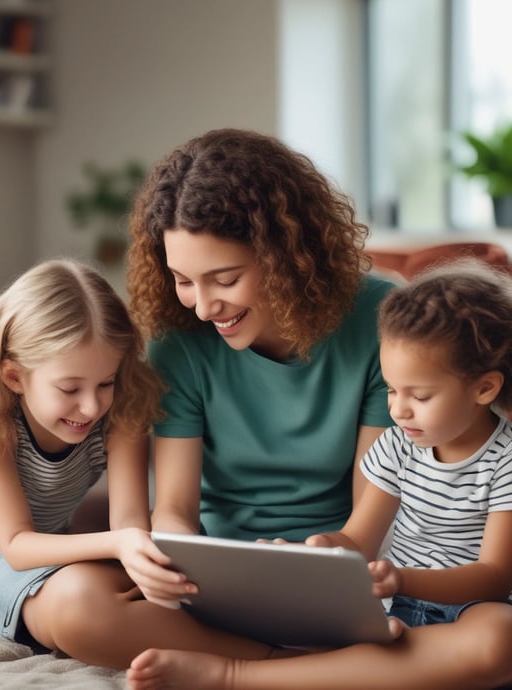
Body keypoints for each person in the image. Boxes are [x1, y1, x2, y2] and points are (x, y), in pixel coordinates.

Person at [126, 257, 512, 690]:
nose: (398, 410)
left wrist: (402, 578)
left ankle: (237, 675)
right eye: (391, 389)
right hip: (401, 610)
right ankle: (384, 667)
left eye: (420, 395)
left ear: (485, 388)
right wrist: (310, 552)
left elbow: (494, 579)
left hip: (477, 609)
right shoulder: (399, 446)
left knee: (504, 639)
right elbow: (357, 539)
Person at [0, 258, 275, 669]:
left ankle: (273, 659)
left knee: (80, 604)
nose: (90, 405)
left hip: (16, 555)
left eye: (105, 382)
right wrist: (117, 543)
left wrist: (136, 549)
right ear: (15, 377)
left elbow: (127, 519)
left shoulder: (123, 410)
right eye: (70, 388)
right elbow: (17, 543)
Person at [119, 127, 395, 605]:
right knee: (78, 611)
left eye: (224, 280)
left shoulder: (381, 320)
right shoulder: (179, 343)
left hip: (341, 560)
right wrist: (170, 560)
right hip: (218, 569)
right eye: (183, 281)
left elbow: (370, 514)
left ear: (286, 256)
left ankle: (238, 666)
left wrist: (328, 557)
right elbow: (176, 509)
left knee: (493, 644)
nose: (203, 308)